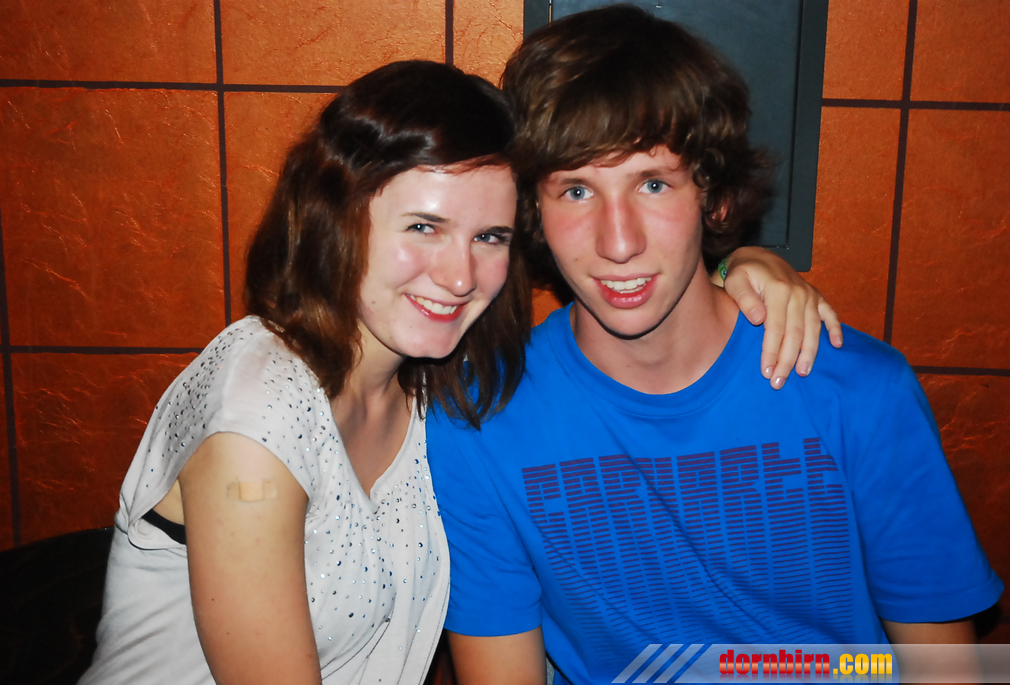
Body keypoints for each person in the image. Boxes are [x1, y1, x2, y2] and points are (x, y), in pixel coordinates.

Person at [81, 59, 836, 685]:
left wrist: (740, 263)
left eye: (490, 236)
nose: (459, 275)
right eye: (424, 226)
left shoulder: (433, 382)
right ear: (334, 215)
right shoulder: (256, 421)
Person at [427, 7, 1004, 685]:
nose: (619, 242)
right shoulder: (480, 420)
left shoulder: (857, 391)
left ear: (714, 197)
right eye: (577, 190)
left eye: (653, 184)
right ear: (532, 212)